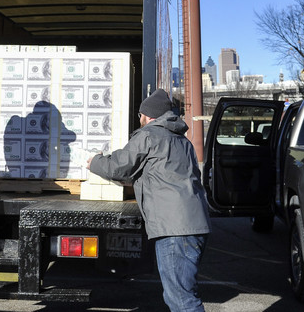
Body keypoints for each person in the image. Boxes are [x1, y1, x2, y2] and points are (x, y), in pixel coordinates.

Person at [87, 89, 211, 311]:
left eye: (140, 115)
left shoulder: (149, 135)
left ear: (149, 115)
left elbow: (118, 166)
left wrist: (94, 161)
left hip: (175, 230)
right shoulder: (181, 141)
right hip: (193, 225)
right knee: (183, 293)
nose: (140, 119)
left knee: (181, 299)